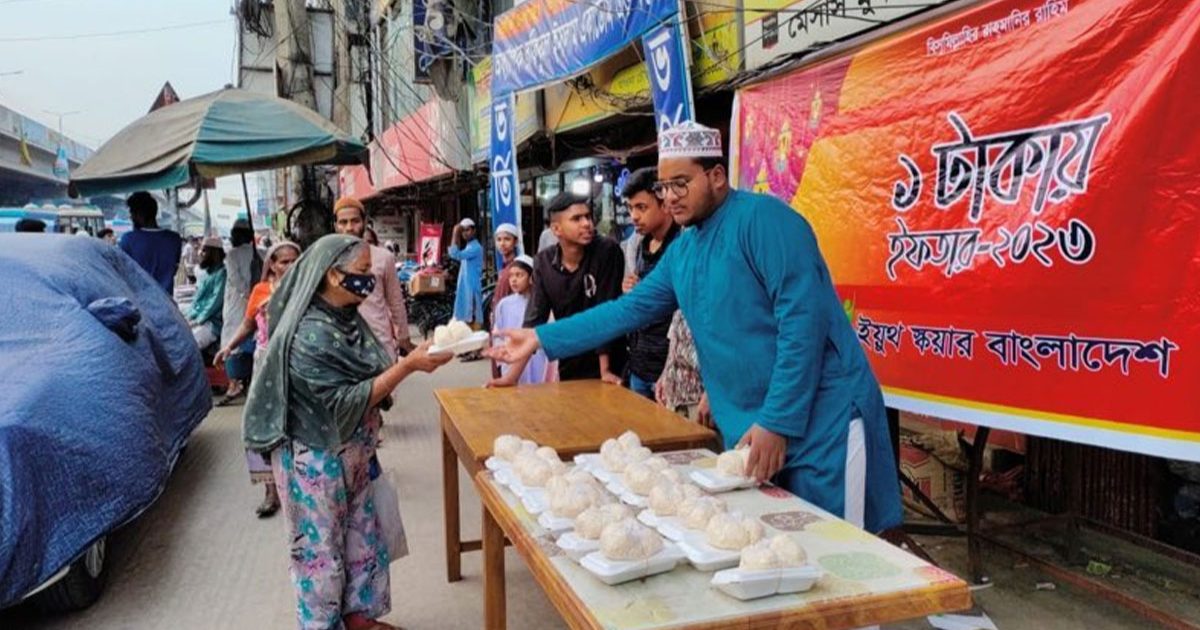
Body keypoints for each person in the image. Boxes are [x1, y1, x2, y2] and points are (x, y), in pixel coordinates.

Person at [490, 122, 901, 533]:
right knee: (790, 550)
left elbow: (803, 329)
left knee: (843, 549)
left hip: (823, 419)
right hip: (755, 427)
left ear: (717, 176)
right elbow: (627, 311)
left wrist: (778, 421)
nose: (670, 197)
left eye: (681, 184)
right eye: (665, 186)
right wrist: (541, 337)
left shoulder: (768, 222)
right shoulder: (684, 250)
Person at [242, 234, 453, 630]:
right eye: (360, 274)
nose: (368, 281)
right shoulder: (309, 334)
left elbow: (371, 373)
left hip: (354, 451)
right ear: (332, 277)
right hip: (315, 459)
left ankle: (358, 619)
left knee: (361, 541)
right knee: (319, 553)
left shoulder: (346, 318)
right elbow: (341, 404)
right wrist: (407, 368)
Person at [216, 241, 302, 517]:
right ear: (272, 265)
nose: (288, 267)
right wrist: (229, 346)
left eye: (293, 261)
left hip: (297, 363)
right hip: (265, 364)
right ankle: (270, 491)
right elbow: (249, 324)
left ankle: (301, 487)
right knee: (261, 425)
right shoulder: (261, 291)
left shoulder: (308, 288)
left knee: (297, 425)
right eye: (283, 261)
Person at [510, 192, 626, 384]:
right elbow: (533, 320)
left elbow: (606, 310)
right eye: (576, 219)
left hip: (611, 362)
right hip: (570, 359)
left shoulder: (608, 251)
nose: (587, 223)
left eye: (588, 216)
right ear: (557, 229)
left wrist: (604, 370)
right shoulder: (543, 263)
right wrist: (510, 377)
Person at [620, 167, 681, 400]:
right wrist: (629, 290)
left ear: (664, 204)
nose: (634, 216)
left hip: (670, 370)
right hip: (638, 365)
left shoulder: (682, 244)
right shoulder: (635, 246)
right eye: (630, 208)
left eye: (641, 207)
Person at [333, 198, 415, 360]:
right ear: (335, 226)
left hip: (380, 343)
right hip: (342, 345)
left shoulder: (384, 257)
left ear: (364, 222)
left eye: (355, 221)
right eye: (343, 222)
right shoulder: (328, 258)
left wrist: (403, 337)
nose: (349, 227)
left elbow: (395, 301)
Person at [218, 220, 262, 405]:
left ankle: (234, 384)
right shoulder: (261, 253)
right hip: (258, 302)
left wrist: (248, 295)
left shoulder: (232, 256)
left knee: (231, 342)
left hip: (238, 305)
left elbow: (236, 281)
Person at [488, 255, 548, 386]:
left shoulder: (542, 303)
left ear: (532, 277)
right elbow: (498, 334)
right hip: (512, 359)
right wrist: (501, 357)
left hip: (538, 359)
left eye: (519, 275)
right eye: (511, 276)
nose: (513, 280)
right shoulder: (504, 304)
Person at [119, 191, 183, 294]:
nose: (131, 217)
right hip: (167, 303)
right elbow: (174, 270)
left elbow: (123, 274)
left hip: (141, 304)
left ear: (140, 214)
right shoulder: (174, 239)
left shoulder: (128, 240)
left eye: (132, 213)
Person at [656, 312, 712, 429]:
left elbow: (731, 354)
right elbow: (674, 342)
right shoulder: (683, 303)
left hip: (698, 401)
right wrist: (664, 375)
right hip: (674, 400)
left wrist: (711, 394)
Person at [186, 237, 226, 352]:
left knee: (189, 346)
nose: (200, 253)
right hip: (198, 319)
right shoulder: (208, 273)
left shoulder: (222, 274)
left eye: (204, 250)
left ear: (213, 253)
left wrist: (198, 320)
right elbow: (197, 301)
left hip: (211, 323)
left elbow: (215, 302)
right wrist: (189, 317)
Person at [448, 218, 484, 328]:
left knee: (471, 317)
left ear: (474, 231)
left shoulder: (475, 248)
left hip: (471, 289)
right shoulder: (469, 247)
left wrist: (455, 233)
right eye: (462, 231)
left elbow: (455, 254)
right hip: (466, 287)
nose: (465, 233)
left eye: (467, 230)